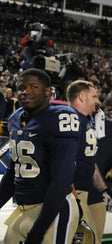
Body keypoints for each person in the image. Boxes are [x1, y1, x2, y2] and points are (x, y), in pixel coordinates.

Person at [0, 68, 79, 243]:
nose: (26, 91)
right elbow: (14, 171)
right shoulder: (16, 118)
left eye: (34, 86)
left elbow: (60, 181)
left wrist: (38, 231)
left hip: (53, 209)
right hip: (23, 209)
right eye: (21, 87)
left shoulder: (60, 118)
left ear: (47, 92)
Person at [67, 80, 112, 244]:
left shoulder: (86, 122)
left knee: (94, 239)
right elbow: (62, 163)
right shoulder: (68, 121)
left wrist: (104, 190)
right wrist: (73, 197)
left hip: (90, 192)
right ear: (82, 97)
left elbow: (89, 161)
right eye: (94, 96)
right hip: (73, 194)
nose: (97, 100)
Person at [88, 107, 112, 242]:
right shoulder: (72, 125)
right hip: (73, 191)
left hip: (98, 193)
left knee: (95, 237)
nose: (95, 100)